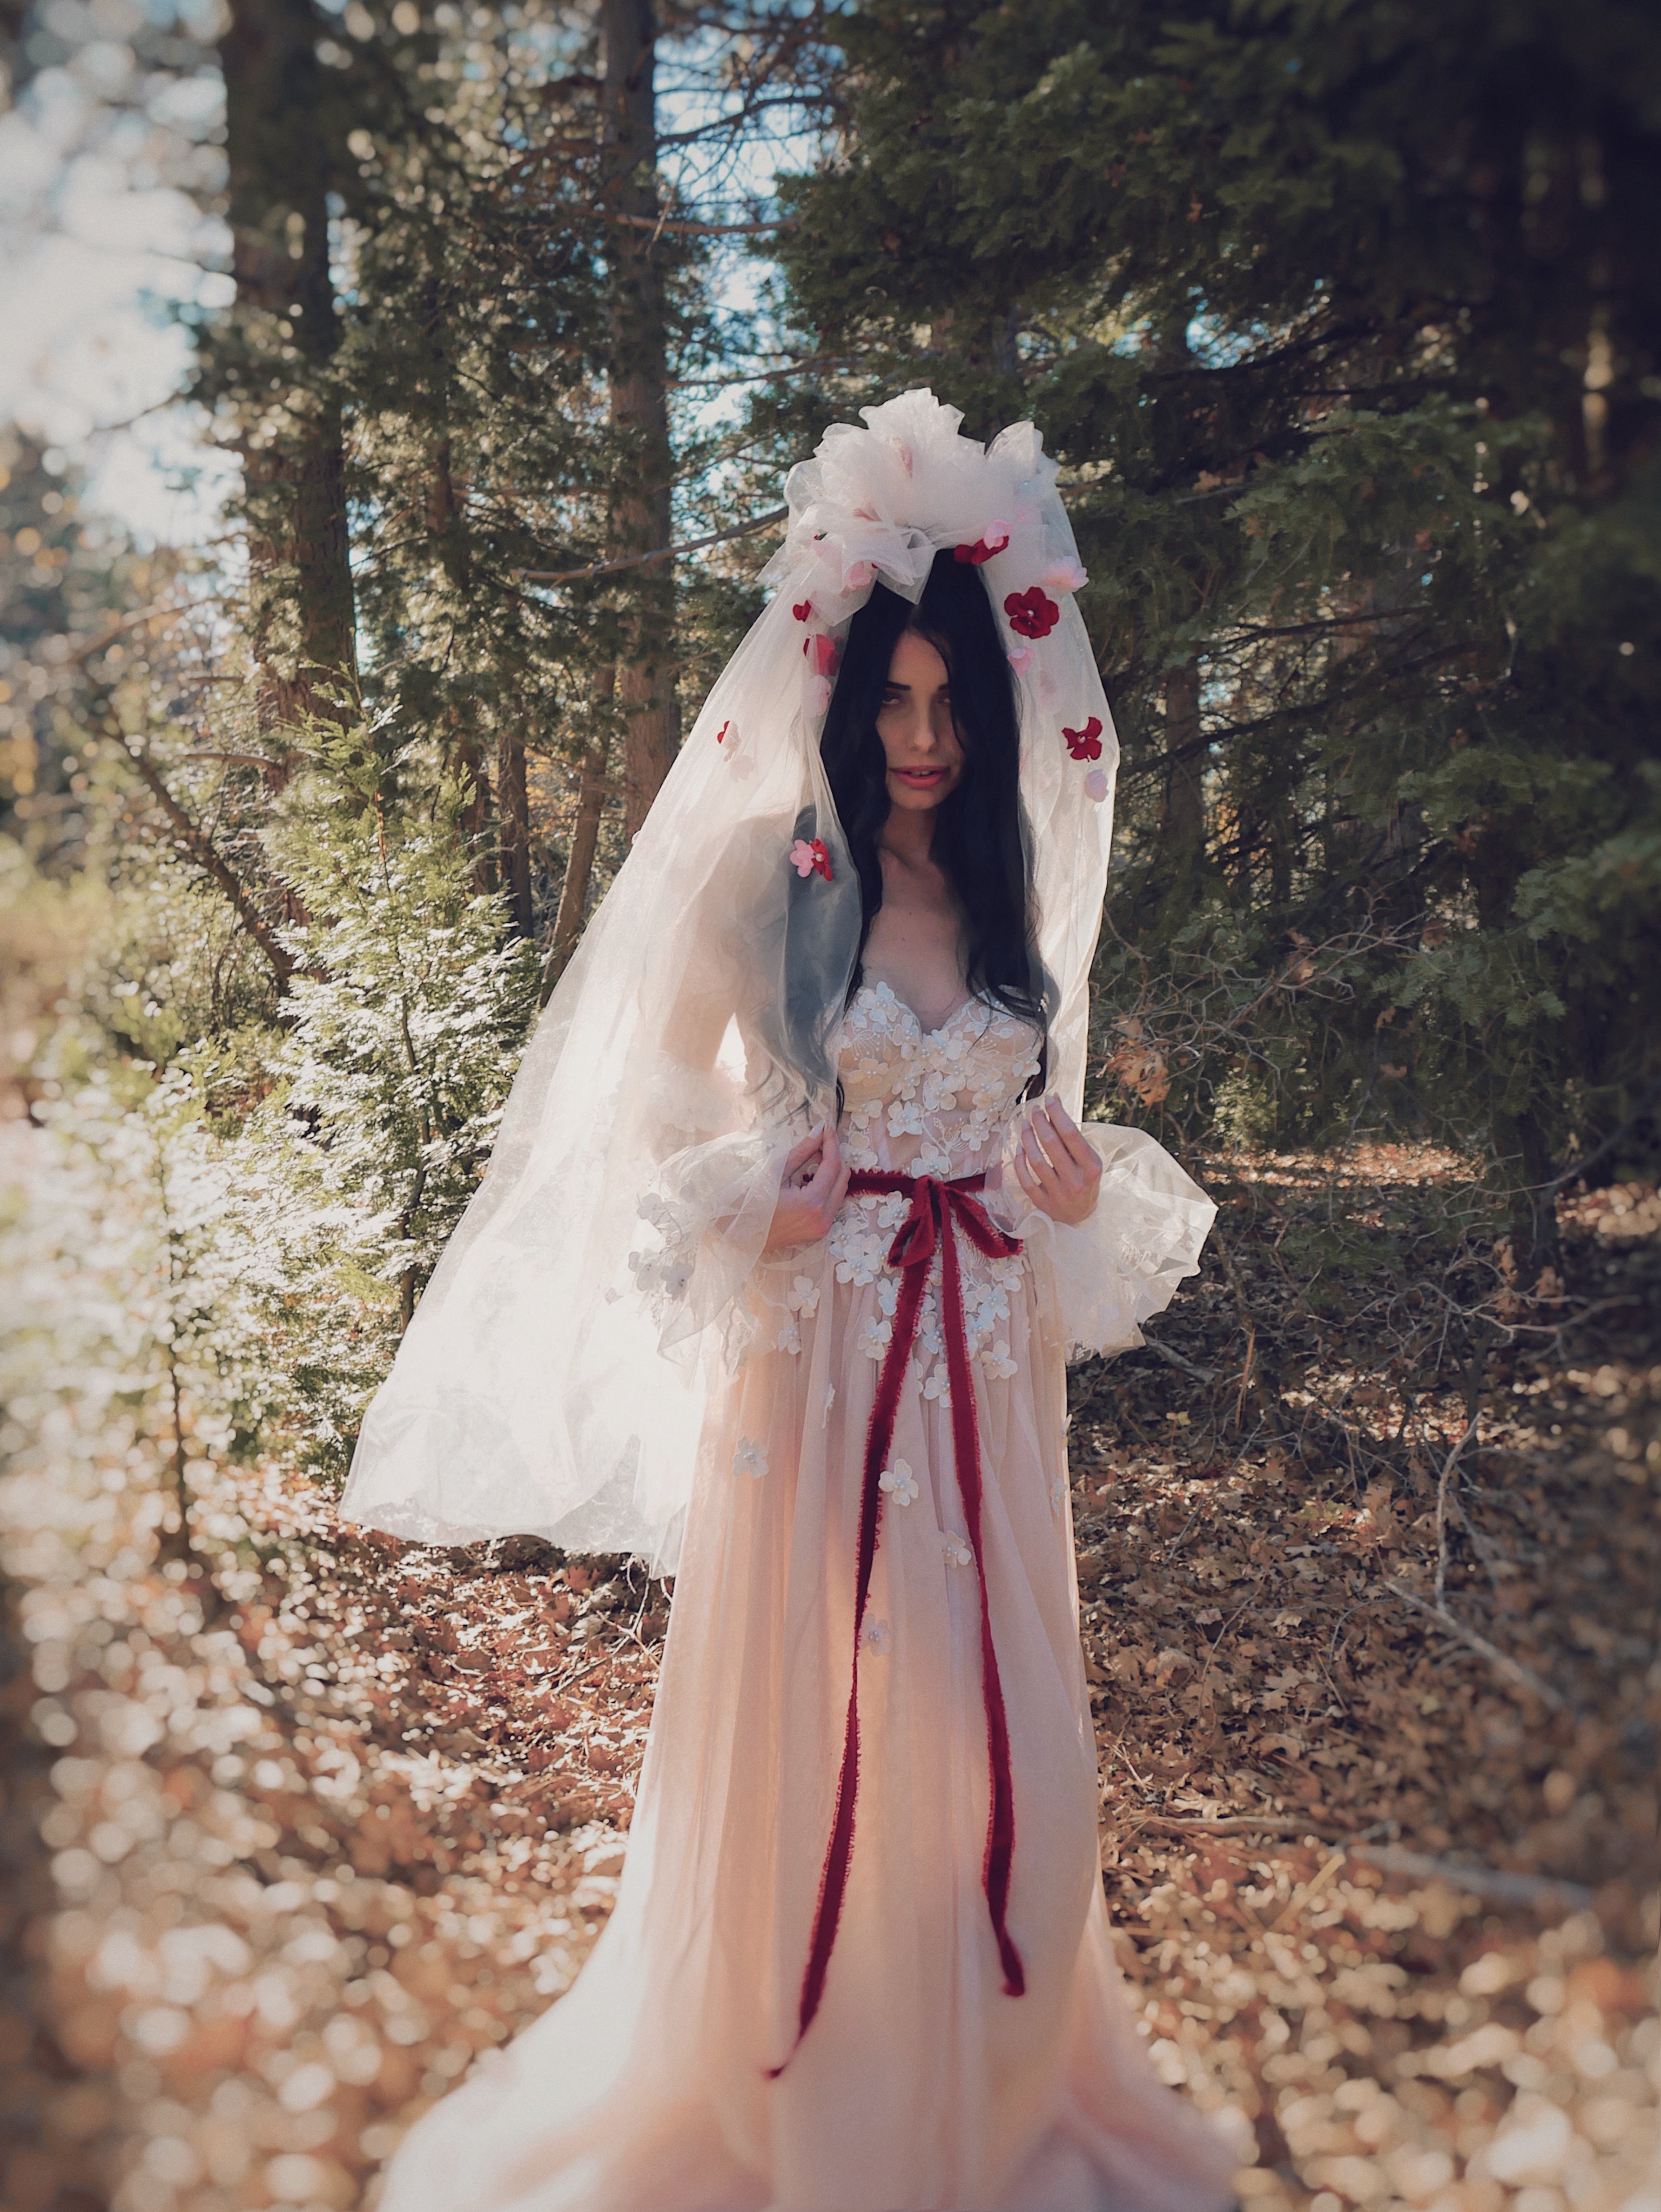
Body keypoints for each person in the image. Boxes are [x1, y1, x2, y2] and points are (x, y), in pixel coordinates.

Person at [341, 392, 1239, 2210]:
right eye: (891, 698)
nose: (918, 733)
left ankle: (984, 2100)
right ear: (839, 696)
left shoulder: (1000, 901)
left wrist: (1058, 1188)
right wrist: (760, 1195)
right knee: (824, 1726)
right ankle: (807, 2102)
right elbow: (637, 1133)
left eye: (947, 704)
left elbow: (1019, 1134)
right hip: (816, 1363)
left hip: (984, 1377)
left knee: (995, 1741)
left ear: (984, 721)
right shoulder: (769, 888)